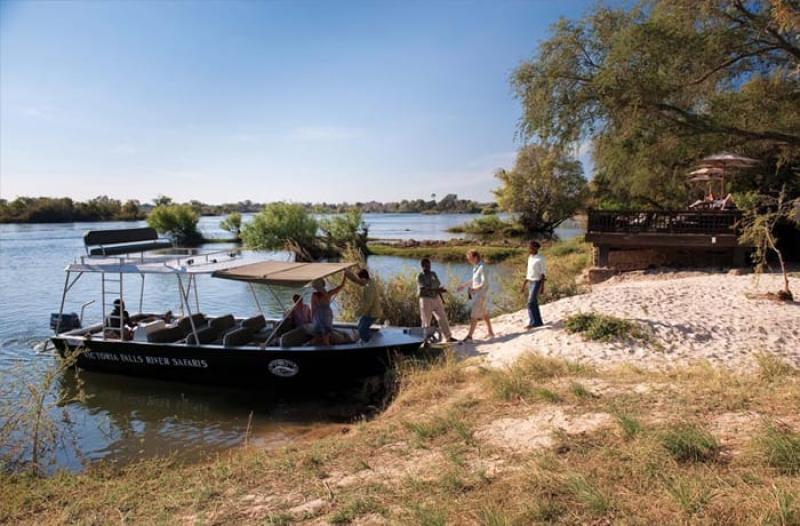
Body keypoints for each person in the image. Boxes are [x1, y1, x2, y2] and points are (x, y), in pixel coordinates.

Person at [417, 258, 458, 343]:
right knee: (426, 321)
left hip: (436, 298)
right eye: (426, 266)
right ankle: (424, 340)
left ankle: (448, 337)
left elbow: (437, 286)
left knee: (442, 317)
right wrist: (438, 290)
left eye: (429, 265)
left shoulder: (433, 274)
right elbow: (423, 288)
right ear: (422, 266)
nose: (429, 267)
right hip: (426, 300)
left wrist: (442, 298)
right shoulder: (420, 276)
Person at [457, 250, 494, 341]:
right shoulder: (476, 267)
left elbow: (484, 283)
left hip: (481, 295)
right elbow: (474, 280)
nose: (468, 260)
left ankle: (470, 336)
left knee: (474, 315)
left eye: (470, 258)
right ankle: (490, 332)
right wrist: (464, 285)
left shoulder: (482, 267)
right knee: (484, 313)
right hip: (477, 294)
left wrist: (475, 289)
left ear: (475, 257)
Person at [345, 268, 382, 342]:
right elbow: (358, 281)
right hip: (369, 313)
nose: (360, 282)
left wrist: (358, 313)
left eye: (360, 279)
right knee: (360, 326)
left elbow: (368, 303)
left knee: (362, 329)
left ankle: (367, 343)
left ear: (363, 278)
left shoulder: (369, 287)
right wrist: (347, 273)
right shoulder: (370, 282)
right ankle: (365, 341)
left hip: (372, 314)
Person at [310, 275, 347, 346]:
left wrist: (312, 318)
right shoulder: (328, 293)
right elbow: (341, 286)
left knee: (318, 335)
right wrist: (345, 276)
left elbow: (313, 308)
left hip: (318, 315)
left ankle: (312, 346)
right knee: (326, 336)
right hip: (327, 315)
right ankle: (327, 346)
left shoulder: (314, 295)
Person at [521, 240, 546, 329]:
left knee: (530, 302)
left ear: (535, 248)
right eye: (528, 247)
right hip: (530, 282)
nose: (529, 249)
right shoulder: (530, 258)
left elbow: (543, 274)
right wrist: (523, 285)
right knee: (533, 302)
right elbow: (528, 273)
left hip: (537, 282)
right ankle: (537, 322)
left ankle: (534, 322)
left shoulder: (541, 258)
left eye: (530, 248)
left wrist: (542, 287)